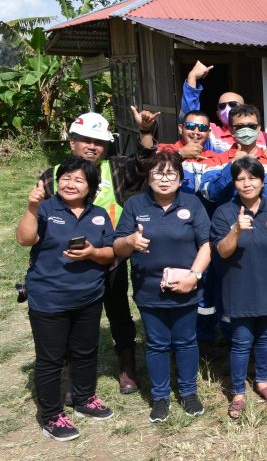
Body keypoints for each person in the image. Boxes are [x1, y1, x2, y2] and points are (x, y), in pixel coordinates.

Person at [38, 108, 159, 395]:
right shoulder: (51, 176)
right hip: (67, 261)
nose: (93, 146)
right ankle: (74, 375)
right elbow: (38, 220)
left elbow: (145, 163)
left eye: (99, 141)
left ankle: (127, 366)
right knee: (70, 317)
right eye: (86, 139)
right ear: (72, 142)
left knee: (118, 311)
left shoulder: (114, 168)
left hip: (110, 256)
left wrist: (144, 132)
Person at [16, 157, 117, 441]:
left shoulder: (98, 214)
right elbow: (24, 239)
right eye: (66, 178)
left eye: (79, 180)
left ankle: (84, 399)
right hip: (49, 299)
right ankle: (51, 415)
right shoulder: (46, 209)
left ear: (91, 187)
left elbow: (110, 253)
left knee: (86, 351)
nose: (71, 184)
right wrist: (32, 207)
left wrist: (92, 253)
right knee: (50, 359)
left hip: (89, 296)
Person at [113, 151, 212, 423]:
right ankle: (159, 397)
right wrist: (131, 241)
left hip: (187, 286)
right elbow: (117, 246)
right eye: (158, 173)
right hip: (149, 289)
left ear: (180, 179)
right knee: (156, 343)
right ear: (149, 176)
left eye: (171, 174)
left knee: (186, 341)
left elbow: (206, 244)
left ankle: (189, 392)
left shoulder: (192, 204)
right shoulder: (135, 205)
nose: (164, 179)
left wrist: (194, 275)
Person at [198, 104, 267, 347]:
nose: (245, 130)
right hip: (230, 240)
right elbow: (209, 193)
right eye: (239, 127)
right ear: (229, 129)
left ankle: (264, 343)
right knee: (227, 294)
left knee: (266, 289)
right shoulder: (216, 159)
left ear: (259, 128)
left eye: (250, 126)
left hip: (264, 242)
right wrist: (231, 166)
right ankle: (232, 346)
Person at [212, 157, 267, 418]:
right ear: (234, 183)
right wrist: (236, 230)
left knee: (266, 336)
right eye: (241, 179)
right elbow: (222, 251)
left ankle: (263, 381)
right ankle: (238, 392)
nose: (247, 184)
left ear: (263, 181)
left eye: (252, 178)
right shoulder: (223, 212)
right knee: (241, 340)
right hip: (238, 288)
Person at [180, 60, 267, 155]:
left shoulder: (264, 138)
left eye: (233, 104)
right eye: (222, 106)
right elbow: (192, 116)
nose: (227, 109)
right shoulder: (211, 133)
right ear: (218, 114)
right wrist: (192, 78)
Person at [158, 110, 220, 196]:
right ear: (180, 129)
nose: (196, 132)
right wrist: (180, 154)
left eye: (203, 128)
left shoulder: (215, 158)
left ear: (208, 133)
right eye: (190, 126)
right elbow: (149, 167)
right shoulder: (164, 150)